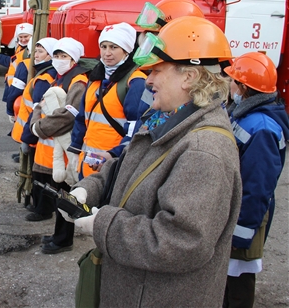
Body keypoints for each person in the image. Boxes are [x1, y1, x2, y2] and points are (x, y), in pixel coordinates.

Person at [65, 16, 242, 306]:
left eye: (156, 70)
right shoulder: (167, 120)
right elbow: (129, 167)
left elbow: (182, 242)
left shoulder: (203, 149)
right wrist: (90, 187)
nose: (147, 80)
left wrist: (104, 225)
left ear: (189, 76)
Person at [222, 52, 289, 308]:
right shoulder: (246, 114)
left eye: (233, 81)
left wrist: (240, 236)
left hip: (244, 218)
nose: (229, 86)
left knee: (237, 282)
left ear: (244, 88)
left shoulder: (260, 126)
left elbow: (257, 188)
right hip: (237, 212)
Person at [29, 38, 90, 255]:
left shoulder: (78, 81)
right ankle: (59, 234)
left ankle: (64, 239)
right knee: (60, 193)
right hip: (57, 148)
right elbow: (42, 106)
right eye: (56, 55)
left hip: (67, 147)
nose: (58, 60)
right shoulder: (61, 78)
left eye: (64, 56)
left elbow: (68, 115)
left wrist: (38, 127)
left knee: (67, 194)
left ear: (74, 59)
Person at [68, 22, 149, 179]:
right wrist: (75, 149)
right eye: (103, 47)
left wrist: (114, 156)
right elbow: (81, 118)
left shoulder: (136, 82)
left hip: (112, 166)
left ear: (126, 51)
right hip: (87, 163)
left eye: (113, 47)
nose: (107, 53)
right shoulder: (95, 79)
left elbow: (136, 129)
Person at [12, 37, 58, 208]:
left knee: (40, 175)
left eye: (40, 51)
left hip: (37, 136)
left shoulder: (44, 79)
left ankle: (42, 208)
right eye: (35, 51)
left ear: (50, 55)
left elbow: (37, 112)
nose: (35, 55)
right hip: (35, 135)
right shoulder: (41, 74)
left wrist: (27, 139)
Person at [0, 23, 33, 103]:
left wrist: (0, 58)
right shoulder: (20, 47)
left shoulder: (30, 51)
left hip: (18, 88)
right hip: (12, 85)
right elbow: (14, 62)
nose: (23, 39)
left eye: (26, 36)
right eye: (20, 37)